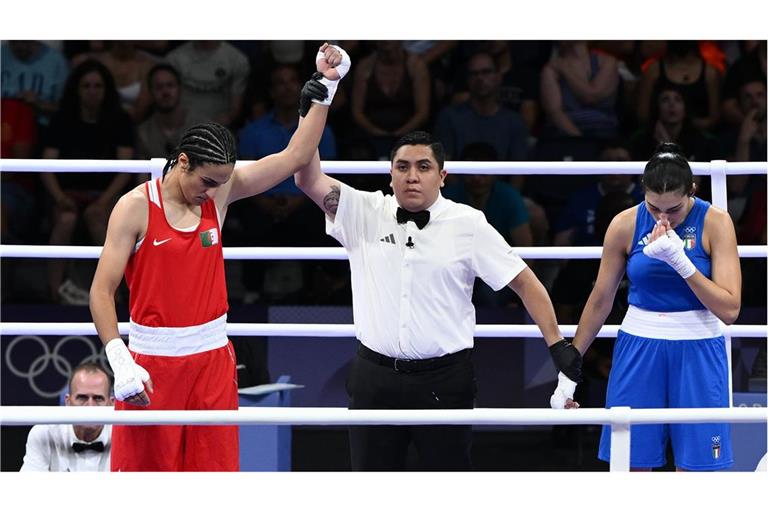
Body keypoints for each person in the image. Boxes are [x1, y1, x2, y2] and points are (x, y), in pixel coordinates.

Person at [89, 43, 350, 471]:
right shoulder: (134, 206)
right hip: (152, 363)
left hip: (213, 359)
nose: (213, 192)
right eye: (207, 181)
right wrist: (120, 359)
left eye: (222, 183)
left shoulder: (220, 191)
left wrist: (324, 87)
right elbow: (101, 290)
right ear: (184, 162)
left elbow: (295, 157)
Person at [294, 127, 581, 471]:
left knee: (447, 491)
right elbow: (306, 178)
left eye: (423, 167)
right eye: (402, 167)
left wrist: (557, 346)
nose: (412, 177)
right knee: (371, 493)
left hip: (444, 380)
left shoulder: (468, 223)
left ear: (442, 176)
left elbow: (525, 283)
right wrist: (318, 100)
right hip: (375, 378)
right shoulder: (364, 210)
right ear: (390, 173)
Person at [550, 142, 741, 472]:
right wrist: (571, 365)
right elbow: (600, 298)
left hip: (698, 348)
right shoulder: (624, 223)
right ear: (642, 193)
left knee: (701, 472)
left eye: (675, 210)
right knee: (631, 467)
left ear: (692, 190)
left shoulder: (716, 222)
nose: (663, 218)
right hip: (639, 347)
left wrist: (682, 264)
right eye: (654, 208)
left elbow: (730, 309)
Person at [21, 363, 114, 472]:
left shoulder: (125, 437)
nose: (90, 406)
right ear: (68, 402)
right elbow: (28, 487)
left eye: (98, 398)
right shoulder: (44, 433)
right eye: (82, 398)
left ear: (111, 404)